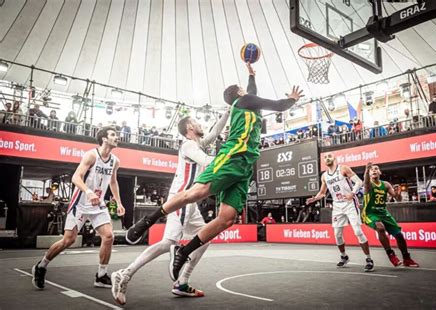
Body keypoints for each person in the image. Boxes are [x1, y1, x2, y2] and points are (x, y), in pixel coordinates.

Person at [125, 62, 304, 281]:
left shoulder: (249, 102)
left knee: (227, 219)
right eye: (244, 88)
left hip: (245, 165)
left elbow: (253, 91)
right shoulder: (244, 101)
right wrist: (293, 99)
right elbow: (278, 105)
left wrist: (251, 75)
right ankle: (147, 221)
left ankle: (183, 252)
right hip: (232, 156)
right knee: (198, 192)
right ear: (239, 93)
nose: (247, 90)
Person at [111, 107, 230, 305]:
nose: (201, 124)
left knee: (205, 237)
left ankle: (182, 283)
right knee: (168, 243)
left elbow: (215, 132)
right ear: (190, 127)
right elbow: (209, 162)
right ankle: (125, 274)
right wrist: (229, 155)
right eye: (197, 122)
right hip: (182, 199)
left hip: (191, 203)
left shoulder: (196, 144)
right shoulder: (189, 146)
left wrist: (228, 112)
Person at [32, 127, 125, 289]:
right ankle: (41, 266)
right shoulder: (91, 155)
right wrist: (88, 192)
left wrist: (118, 202)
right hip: (81, 202)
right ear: (104, 139)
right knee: (69, 240)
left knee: (109, 236)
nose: (117, 137)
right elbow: (76, 177)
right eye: (113, 135)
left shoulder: (115, 161)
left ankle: (101, 275)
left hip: (98, 204)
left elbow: (113, 182)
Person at [306, 152, 374, 272]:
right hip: (337, 205)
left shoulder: (343, 168)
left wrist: (352, 193)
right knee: (337, 235)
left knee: (357, 231)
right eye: (325, 157)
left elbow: (359, 182)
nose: (327, 158)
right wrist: (315, 198)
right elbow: (322, 193)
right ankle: (344, 256)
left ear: (334, 158)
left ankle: (368, 259)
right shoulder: (324, 176)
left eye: (329, 156)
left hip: (350, 203)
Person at [362, 163, 419, 267]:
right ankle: (391, 254)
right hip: (370, 213)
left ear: (380, 172)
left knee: (399, 235)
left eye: (376, 169)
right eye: (371, 170)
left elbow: (398, 199)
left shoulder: (386, 184)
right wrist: (366, 170)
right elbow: (365, 182)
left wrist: (398, 193)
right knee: (380, 227)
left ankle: (407, 258)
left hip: (383, 212)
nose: (374, 170)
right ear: (369, 174)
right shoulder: (368, 184)